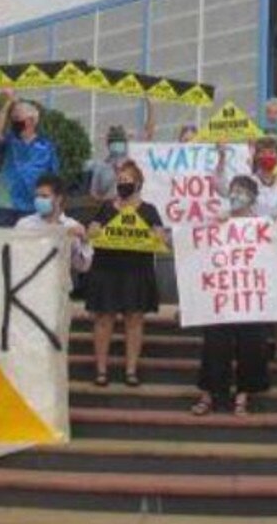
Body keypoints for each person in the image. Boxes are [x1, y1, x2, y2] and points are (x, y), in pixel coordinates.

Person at [215, 138, 277, 364]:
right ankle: (255, 345)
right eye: (263, 151)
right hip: (254, 249)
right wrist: (221, 158)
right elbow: (221, 187)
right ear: (256, 156)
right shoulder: (248, 181)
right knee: (258, 296)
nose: (268, 155)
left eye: (272, 152)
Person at [191, 175, 272, 417]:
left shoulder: (262, 224)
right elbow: (199, 252)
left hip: (250, 299)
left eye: (242, 191)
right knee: (214, 344)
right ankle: (208, 393)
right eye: (233, 190)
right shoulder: (217, 221)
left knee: (251, 346)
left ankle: (243, 396)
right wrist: (215, 224)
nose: (236, 195)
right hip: (222, 297)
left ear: (253, 198)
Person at [85, 161, 167, 387]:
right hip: (107, 270)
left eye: (127, 180)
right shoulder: (106, 208)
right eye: (119, 181)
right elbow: (91, 231)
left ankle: (131, 370)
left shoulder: (149, 210)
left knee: (134, 320)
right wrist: (92, 231)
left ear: (138, 183)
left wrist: (158, 235)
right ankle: (101, 370)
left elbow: (161, 236)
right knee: (104, 319)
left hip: (137, 272)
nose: (123, 184)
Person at [0, 92, 60, 226]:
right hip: (6, 204)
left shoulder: (46, 146)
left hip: (32, 205)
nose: (14, 121)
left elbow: (54, 179)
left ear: (32, 120)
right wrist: (8, 103)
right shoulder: (10, 140)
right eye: (13, 118)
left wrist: (53, 205)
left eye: (18, 117)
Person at [16, 174, 93, 277]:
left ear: (58, 198)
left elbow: (82, 267)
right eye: (37, 196)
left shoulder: (72, 226)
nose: (39, 200)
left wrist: (84, 242)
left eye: (44, 196)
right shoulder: (24, 225)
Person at [90, 126, 131, 202]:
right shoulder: (101, 167)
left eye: (120, 141)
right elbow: (94, 193)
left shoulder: (134, 165)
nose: (117, 144)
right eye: (114, 142)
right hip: (109, 208)